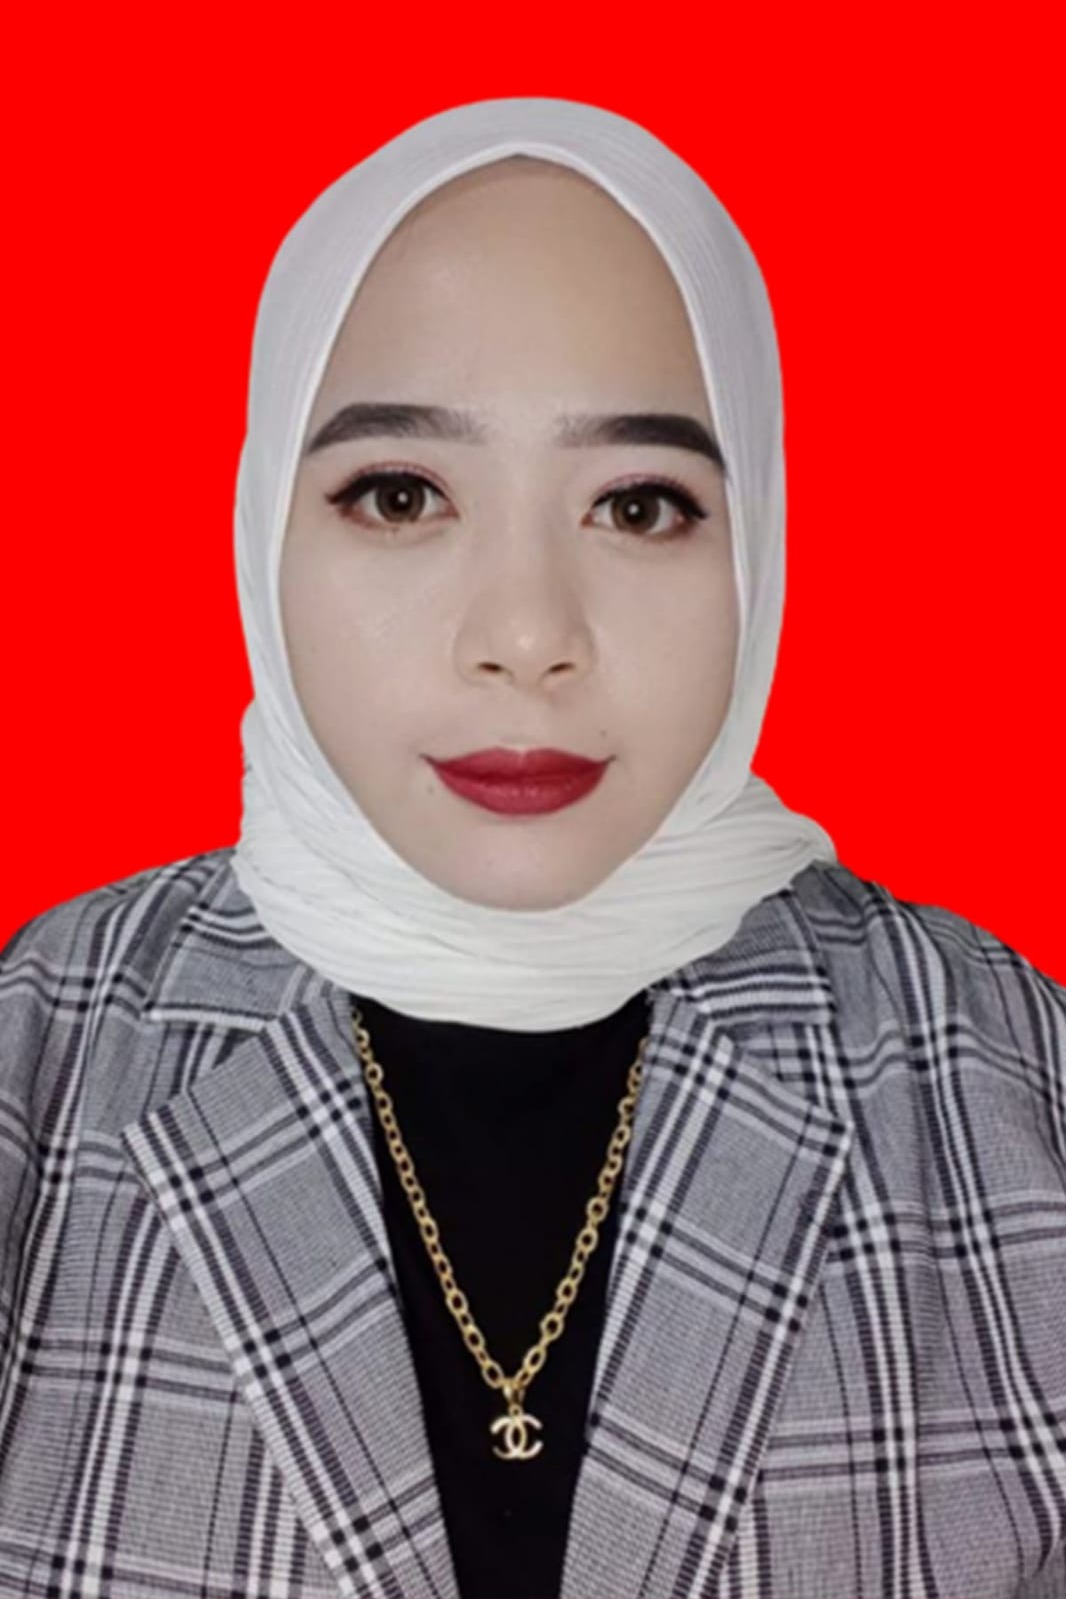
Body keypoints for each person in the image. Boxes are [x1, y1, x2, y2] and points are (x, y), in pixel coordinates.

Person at [0, 97, 1063, 1599]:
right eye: (399, 494)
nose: (524, 635)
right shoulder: (43, 1046)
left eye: (638, 504)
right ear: (259, 531)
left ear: (757, 545)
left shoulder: (1002, 1070)